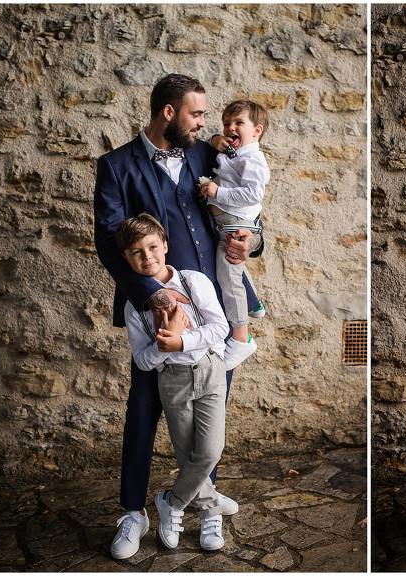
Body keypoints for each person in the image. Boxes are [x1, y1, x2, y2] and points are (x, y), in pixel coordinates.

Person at [94, 74, 256, 559]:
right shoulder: (116, 166)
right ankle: (132, 511)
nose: (204, 123)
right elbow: (109, 243)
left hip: (213, 311)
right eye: (196, 113)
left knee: (210, 416)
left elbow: (246, 207)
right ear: (169, 113)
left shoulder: (208, 156)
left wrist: (252, 240)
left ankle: (203, 507)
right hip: (155, 315)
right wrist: (153, 297)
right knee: (143, 413)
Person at [118, 214, 229, 551]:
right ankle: (210, 511)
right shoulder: (134, 307)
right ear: (126, 258)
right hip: (173, 382)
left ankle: (172, 501)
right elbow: (143, 359)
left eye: (153, 247)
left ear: (165, 245)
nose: (147, 257)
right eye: (136, 252)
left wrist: (181, 341)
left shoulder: (193, 281)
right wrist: (163, 347)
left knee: (209, 451)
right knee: (187, 454)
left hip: (209, 371)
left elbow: (220, 328)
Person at [199, 100, 270, 370]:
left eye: (239, 123)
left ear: (257, 131)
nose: (230, 128)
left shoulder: (252, 159)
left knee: (229, 276)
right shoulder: (234, 152)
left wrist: (217, 192)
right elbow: (215, 142)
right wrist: (215, 139)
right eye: (227, 123)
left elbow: (253, 194)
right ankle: (254, 304)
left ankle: (242, 339)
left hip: (235, 225)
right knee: (234, 270)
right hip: (224, 225)